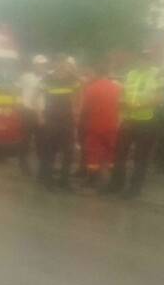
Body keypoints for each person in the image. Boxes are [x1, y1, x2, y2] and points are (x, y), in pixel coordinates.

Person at [104, 51, 164, 199]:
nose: (142, 61)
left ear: (150, 60)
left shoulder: (157, 74)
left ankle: (134, 189)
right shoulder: (131, 74)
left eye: (145, 59)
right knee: (120, 153)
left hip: (147, 121)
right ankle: (116, 184)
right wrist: (121, 102)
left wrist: (138, 106)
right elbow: (123, 94)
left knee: (141, 157)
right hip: (128, 119)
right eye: (140, 58)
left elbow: (160, 99)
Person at [37, 58, 80, 191]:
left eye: (64, 65)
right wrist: (40, 115)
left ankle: (64, 181)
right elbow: (38, 97)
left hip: (67, 120)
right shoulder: (47, 79)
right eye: (59, 64)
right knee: (50, 151)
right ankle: (48, 181)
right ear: (54, 65)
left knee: (68, 151)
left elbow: (78, 95)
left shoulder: (72, 79)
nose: (62, 67)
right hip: (51, 119)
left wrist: (76, 112)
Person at [78, 63, 121, 189]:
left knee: (93, 153)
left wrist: (81, 123)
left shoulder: (91, 88)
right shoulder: (117, 87)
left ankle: (92, 180)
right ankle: (114, 179)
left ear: (97, 73)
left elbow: (85, 109)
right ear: (108, 73)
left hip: (94, 125)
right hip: (112, 125)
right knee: (112, 152)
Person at [16, 54, 48, 175]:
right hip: (28, 111)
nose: (41, 67)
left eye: (43, 65)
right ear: (34, 65)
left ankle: (42, 166)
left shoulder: (48, 77)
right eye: (39, 65)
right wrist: (19, 103)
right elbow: (17, 89)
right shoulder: (26, 77)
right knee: (26, 138)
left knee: (42, 139)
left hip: (43, 111)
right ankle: (23, 162)